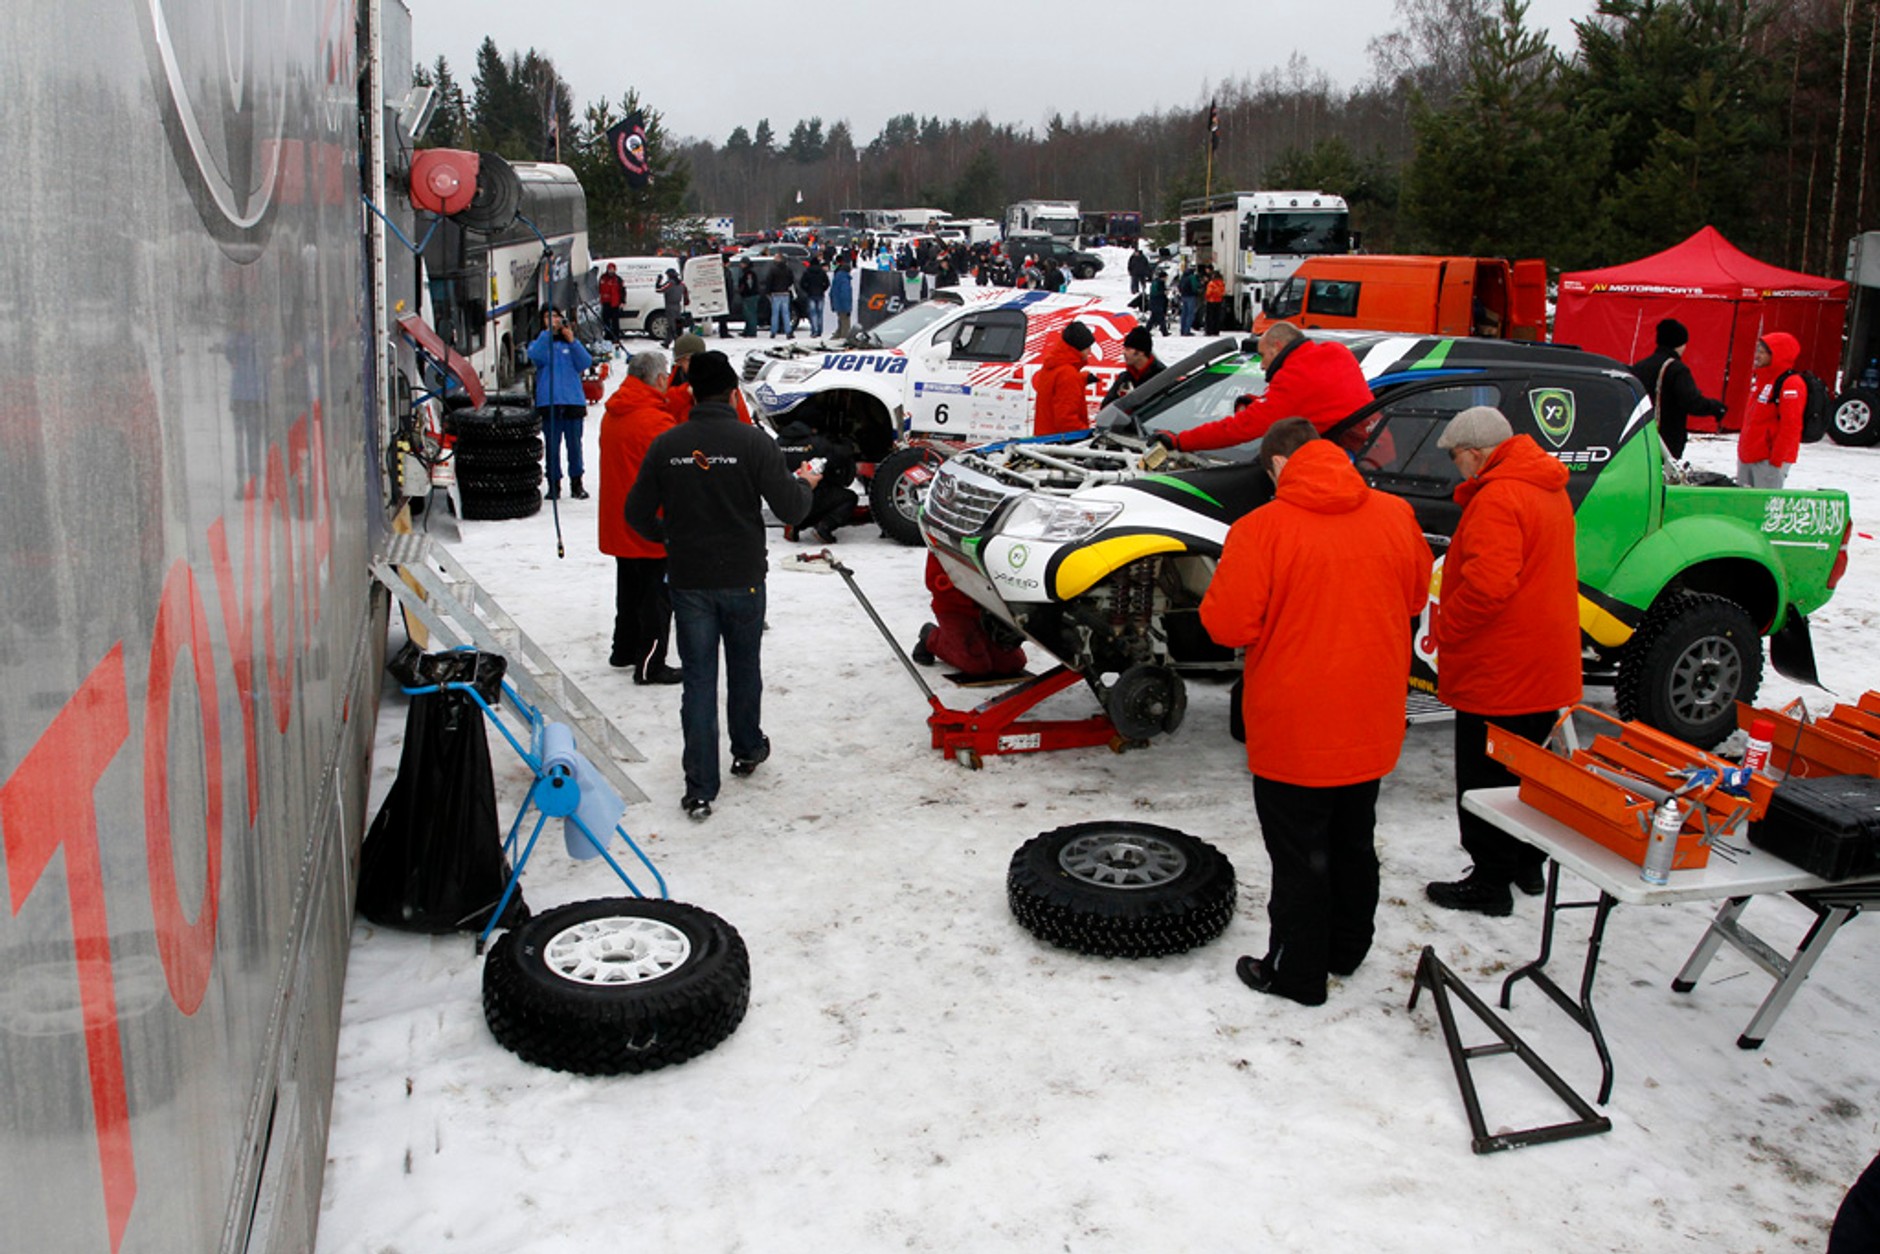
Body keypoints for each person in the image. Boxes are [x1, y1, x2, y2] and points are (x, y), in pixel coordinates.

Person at [1199, 418, 1432, 1006]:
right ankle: (1347, 949)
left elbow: (1225, 624)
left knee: (1301, 855)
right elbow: (1413, 596)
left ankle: (1296, 973)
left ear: (1278, 466)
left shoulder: (1262, 530)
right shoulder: (1395, 516)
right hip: (1370, 716)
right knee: (1354, 839)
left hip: (1295, 724)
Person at [624, 351, 819, 821]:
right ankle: (748, 748)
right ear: (733, 391)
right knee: (744, 667)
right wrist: (807, 482)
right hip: (743, 578)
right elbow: (793, 510)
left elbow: (635, 514)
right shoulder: (753, 443)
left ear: (690, 392)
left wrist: (668, 538)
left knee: (698, 680)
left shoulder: (669, 444)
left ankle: (700, 788)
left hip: (690, 580)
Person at [1422, 406, 1582, 917]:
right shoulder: (1547, 487)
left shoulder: (1498, 498)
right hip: (1545, 659)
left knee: (1484, 776)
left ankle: (1489, 882)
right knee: (1528, 769)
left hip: (1500, 665)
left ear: (1476, 452)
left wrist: (1447, 627)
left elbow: (1488, 586)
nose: (1456, 467)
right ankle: (1525, 864)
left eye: (1455, 456)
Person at [1154, 323, 1373, 454]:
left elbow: (1241, 428)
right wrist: (1260, 403)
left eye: (1263, 355)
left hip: (1352, 460)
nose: (1262, 364)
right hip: (1375, 451)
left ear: (1277, 347)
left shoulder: (1294, 378)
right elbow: (1311, 401)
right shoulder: (1337, 352)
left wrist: (1179, 440)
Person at [599, 350, 683, 685]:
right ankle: (651, 664)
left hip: (619, 521)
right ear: (660, 378)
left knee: (628, 590)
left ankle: (624, 650)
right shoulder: (656, 421)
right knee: (657, 600)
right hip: (652, 525)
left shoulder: (616, 411)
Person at [910, 553, 1027, 679]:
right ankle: (930, 637)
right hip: (954, 608)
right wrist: (978, 604)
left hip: (990, 610)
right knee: (977, 666)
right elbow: (936, 582)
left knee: (1013, 664)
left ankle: (976, 641)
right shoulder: (943, 540)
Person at [1630, 318, 1727, 460]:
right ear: (1679, 344)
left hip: (1639, 434)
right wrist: (1716, 407)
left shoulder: (1640, 366)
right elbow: (1692, 402)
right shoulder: (1676, 369)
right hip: (1667, 438)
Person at [527, 308, 592, 500]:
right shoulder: (541, 344)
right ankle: (553, 484)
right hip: (550, 402)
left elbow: (585, 362)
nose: (553, 320)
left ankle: (577, 482)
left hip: (572, 401)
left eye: (556, 316)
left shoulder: (570, 344)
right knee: (552, 447)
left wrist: (572, 340)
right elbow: (535, 356)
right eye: (549, 317)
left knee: (575, 445)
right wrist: (547, 334)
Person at [1738, 331, 1806, 488]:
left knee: (1762, 506)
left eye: (1762, 352)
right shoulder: (1761, 380)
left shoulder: (1790, 383)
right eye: (1757, 351)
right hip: (1750, 455)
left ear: (1776, 354)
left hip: (1768, 459)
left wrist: (1777, 458)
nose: (1757, 356)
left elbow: (1791, 425)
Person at [774, 417, 858, 543]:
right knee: (849, 498)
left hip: (783, 500)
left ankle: (794, 524)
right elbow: (841, 453)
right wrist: (847, 442)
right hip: (808, 496)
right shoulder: (817, 443)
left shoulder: (777, 443)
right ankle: (824, 527)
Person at [1033, 322, 1096, 436]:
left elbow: (1056, 391)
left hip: (1044, 436)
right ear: (1078, 348)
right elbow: (1066, 420)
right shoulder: (1068, 374)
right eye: (1088, 347)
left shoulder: (1053, 366)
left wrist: (1082, 379)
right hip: (1060, 444)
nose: (1090, 352)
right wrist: (1087, 434)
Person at [1103, 326, 1164, 406]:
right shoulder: (1124, 379)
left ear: (1141, 352)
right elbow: (1106, 407)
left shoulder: (1162, 377)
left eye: (1128, 349)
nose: (1123, 352)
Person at [655, 268, 686, 348]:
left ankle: (678, 342)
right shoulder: (681, 284)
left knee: (672, 325)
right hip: (678, 305)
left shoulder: (670, 283)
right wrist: (686, 300)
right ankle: (667, 342)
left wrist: (658, 281)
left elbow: (659, 289)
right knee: (676, 324)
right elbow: (685, 292)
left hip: (670, 306)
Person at [800, 256, 830, 337]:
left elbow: (802, 283)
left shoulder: (807, 272)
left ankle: (814, 330)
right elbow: (827, 283)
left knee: (813, 314)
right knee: (820, 313)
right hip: (820, 294)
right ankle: (820, 330)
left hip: (811, 294)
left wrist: (807, 290)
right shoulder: (822, 272)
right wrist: (823, 289)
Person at [766, 259, 795, 338]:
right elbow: (791, 281)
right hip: (785, 293)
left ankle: (773, 332)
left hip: (775, 294)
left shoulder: (773, 270)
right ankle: (788, 331)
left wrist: (768, 292)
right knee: (786, 314)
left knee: (775, 314)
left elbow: (769, 281)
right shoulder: (788, 270)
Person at [598, 262, 625, 342]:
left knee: (615, 322)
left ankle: (616, 336)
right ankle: (608, 335)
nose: (611, 271)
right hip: (605, 302)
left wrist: (622, 301)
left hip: (615, 303)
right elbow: (599, 289)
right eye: (609, 269)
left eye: (612, 269)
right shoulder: (603, 278)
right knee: (606, 320)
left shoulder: (618, 279)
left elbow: (622, 291)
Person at [830, 258, 854, 339]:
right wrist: (848, 308)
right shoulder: (845, 279)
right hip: (843, 305)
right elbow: (845, 294)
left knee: (841, 321)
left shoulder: (837, 277)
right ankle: (844, 340)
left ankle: (837, 337)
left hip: (837, 304)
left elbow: (832, 292)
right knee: (845, 324)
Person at [737, 263, 763, 337]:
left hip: (750, 296)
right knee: (748, 315)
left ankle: (751, 332)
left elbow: (749, 285)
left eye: (742, 263)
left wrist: (742, 291)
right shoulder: (748, 272)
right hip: (750, 295)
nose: (740, 265)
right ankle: (747, 330)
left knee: (750, 315)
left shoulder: (749, 273)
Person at [1176, 264, 1200, 336]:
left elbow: (1179, 285)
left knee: (1184, 314)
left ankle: (1182, 330)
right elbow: (1195, 286)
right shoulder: (1192, 277)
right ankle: (1187, 330)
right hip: (1191, 296)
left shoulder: (1183, 276)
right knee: (1190, 314)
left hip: (1184, 296)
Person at [1203, 266, 1226, 336]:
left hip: (1211, 301)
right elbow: (1223, 292)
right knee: (1217, 317)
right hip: (1218, 301)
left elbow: (1208, 293)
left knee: (1210, 317)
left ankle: (1209, 331)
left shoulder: (1212, 283)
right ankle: (1216, 331)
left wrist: (1206, 297)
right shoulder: (1221, 283)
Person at [1147, 269, 1169, 336]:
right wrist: (1164, 293)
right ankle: (1164, 332)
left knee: (1153, 318)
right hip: (1157, 302)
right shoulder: (1158, 283)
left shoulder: (1156, 282)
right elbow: (1155, 293)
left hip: (1155, 302)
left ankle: (1146, 330)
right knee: (1161, 317)